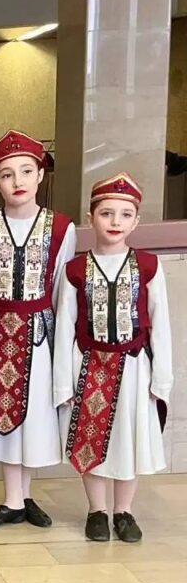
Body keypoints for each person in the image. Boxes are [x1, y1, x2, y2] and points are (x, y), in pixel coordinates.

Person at [0, 130, 76, 530]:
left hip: (39, 333)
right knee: (1, 414)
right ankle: (12, 499)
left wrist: (63, 340)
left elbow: (61, 287)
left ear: (41, 175)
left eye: (26, 171)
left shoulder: (61, 228)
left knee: (34, 413)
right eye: (7, 174)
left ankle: (23, 497)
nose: (17, 181)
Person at [54, 173, 172, 543]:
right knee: (90, 439)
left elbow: (161, 324)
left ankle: (124, 511)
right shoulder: (75, 270)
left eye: (125, 214)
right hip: (89, 367)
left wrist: (161, 378)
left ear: (136, 221)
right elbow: (65, 326)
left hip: (134, 366)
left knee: (128, 439)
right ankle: (96, 510)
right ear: (91, 218)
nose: (115, 222)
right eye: (106, 213)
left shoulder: (148, 266)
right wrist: (63, 381)